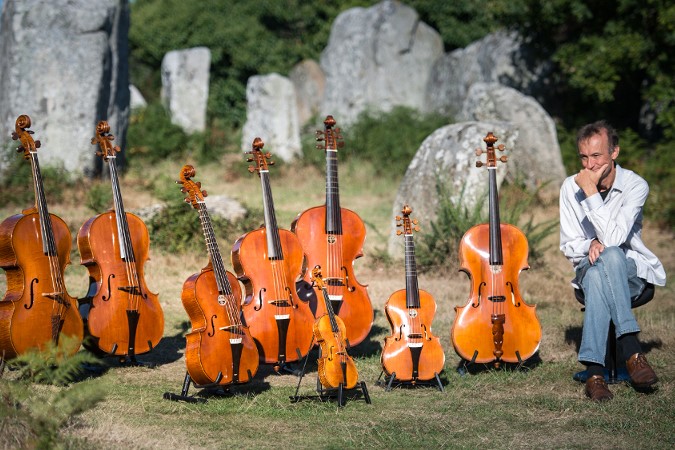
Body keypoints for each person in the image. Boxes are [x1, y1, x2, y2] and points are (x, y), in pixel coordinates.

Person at [559, 120, 666, 401]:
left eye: (597, 156)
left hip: (630, 274)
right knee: (599, 267)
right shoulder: (570, 187)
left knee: (613, 255)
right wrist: (589, 244)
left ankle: (595, 373)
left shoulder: (635, 186)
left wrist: (591, 193)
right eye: (584, 157)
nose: (590, 165)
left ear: (614, 152)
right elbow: (570, 246)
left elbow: (615, 238)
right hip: (587, 267)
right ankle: (632, 352)